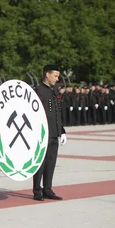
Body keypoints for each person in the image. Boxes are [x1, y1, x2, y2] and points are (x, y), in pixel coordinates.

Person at [33, 64, 66, 201]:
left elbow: (57, 113)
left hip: (54, 132)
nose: (57, 79)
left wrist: (62, 131)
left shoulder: (54, 91)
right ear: (47, 74)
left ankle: (47, 188)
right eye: (55, 75)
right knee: (40, 162)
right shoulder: (38, 91)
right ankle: (37, 190)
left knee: (51, 161)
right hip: (42, 132)